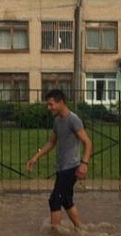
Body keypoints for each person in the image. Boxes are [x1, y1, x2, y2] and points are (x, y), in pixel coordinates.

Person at [26, 89, 93, 228]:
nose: (48, 108)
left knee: (55, 199)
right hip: (61, 167)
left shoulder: (73, 120)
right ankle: (80, 228)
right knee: (66, 200)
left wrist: (84, 164)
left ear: (61, 102)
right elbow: (51, 142)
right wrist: (35, 157)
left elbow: (87, 142)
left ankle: (55, 235)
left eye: (51, 105)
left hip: (71, 167)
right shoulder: (57, 121)